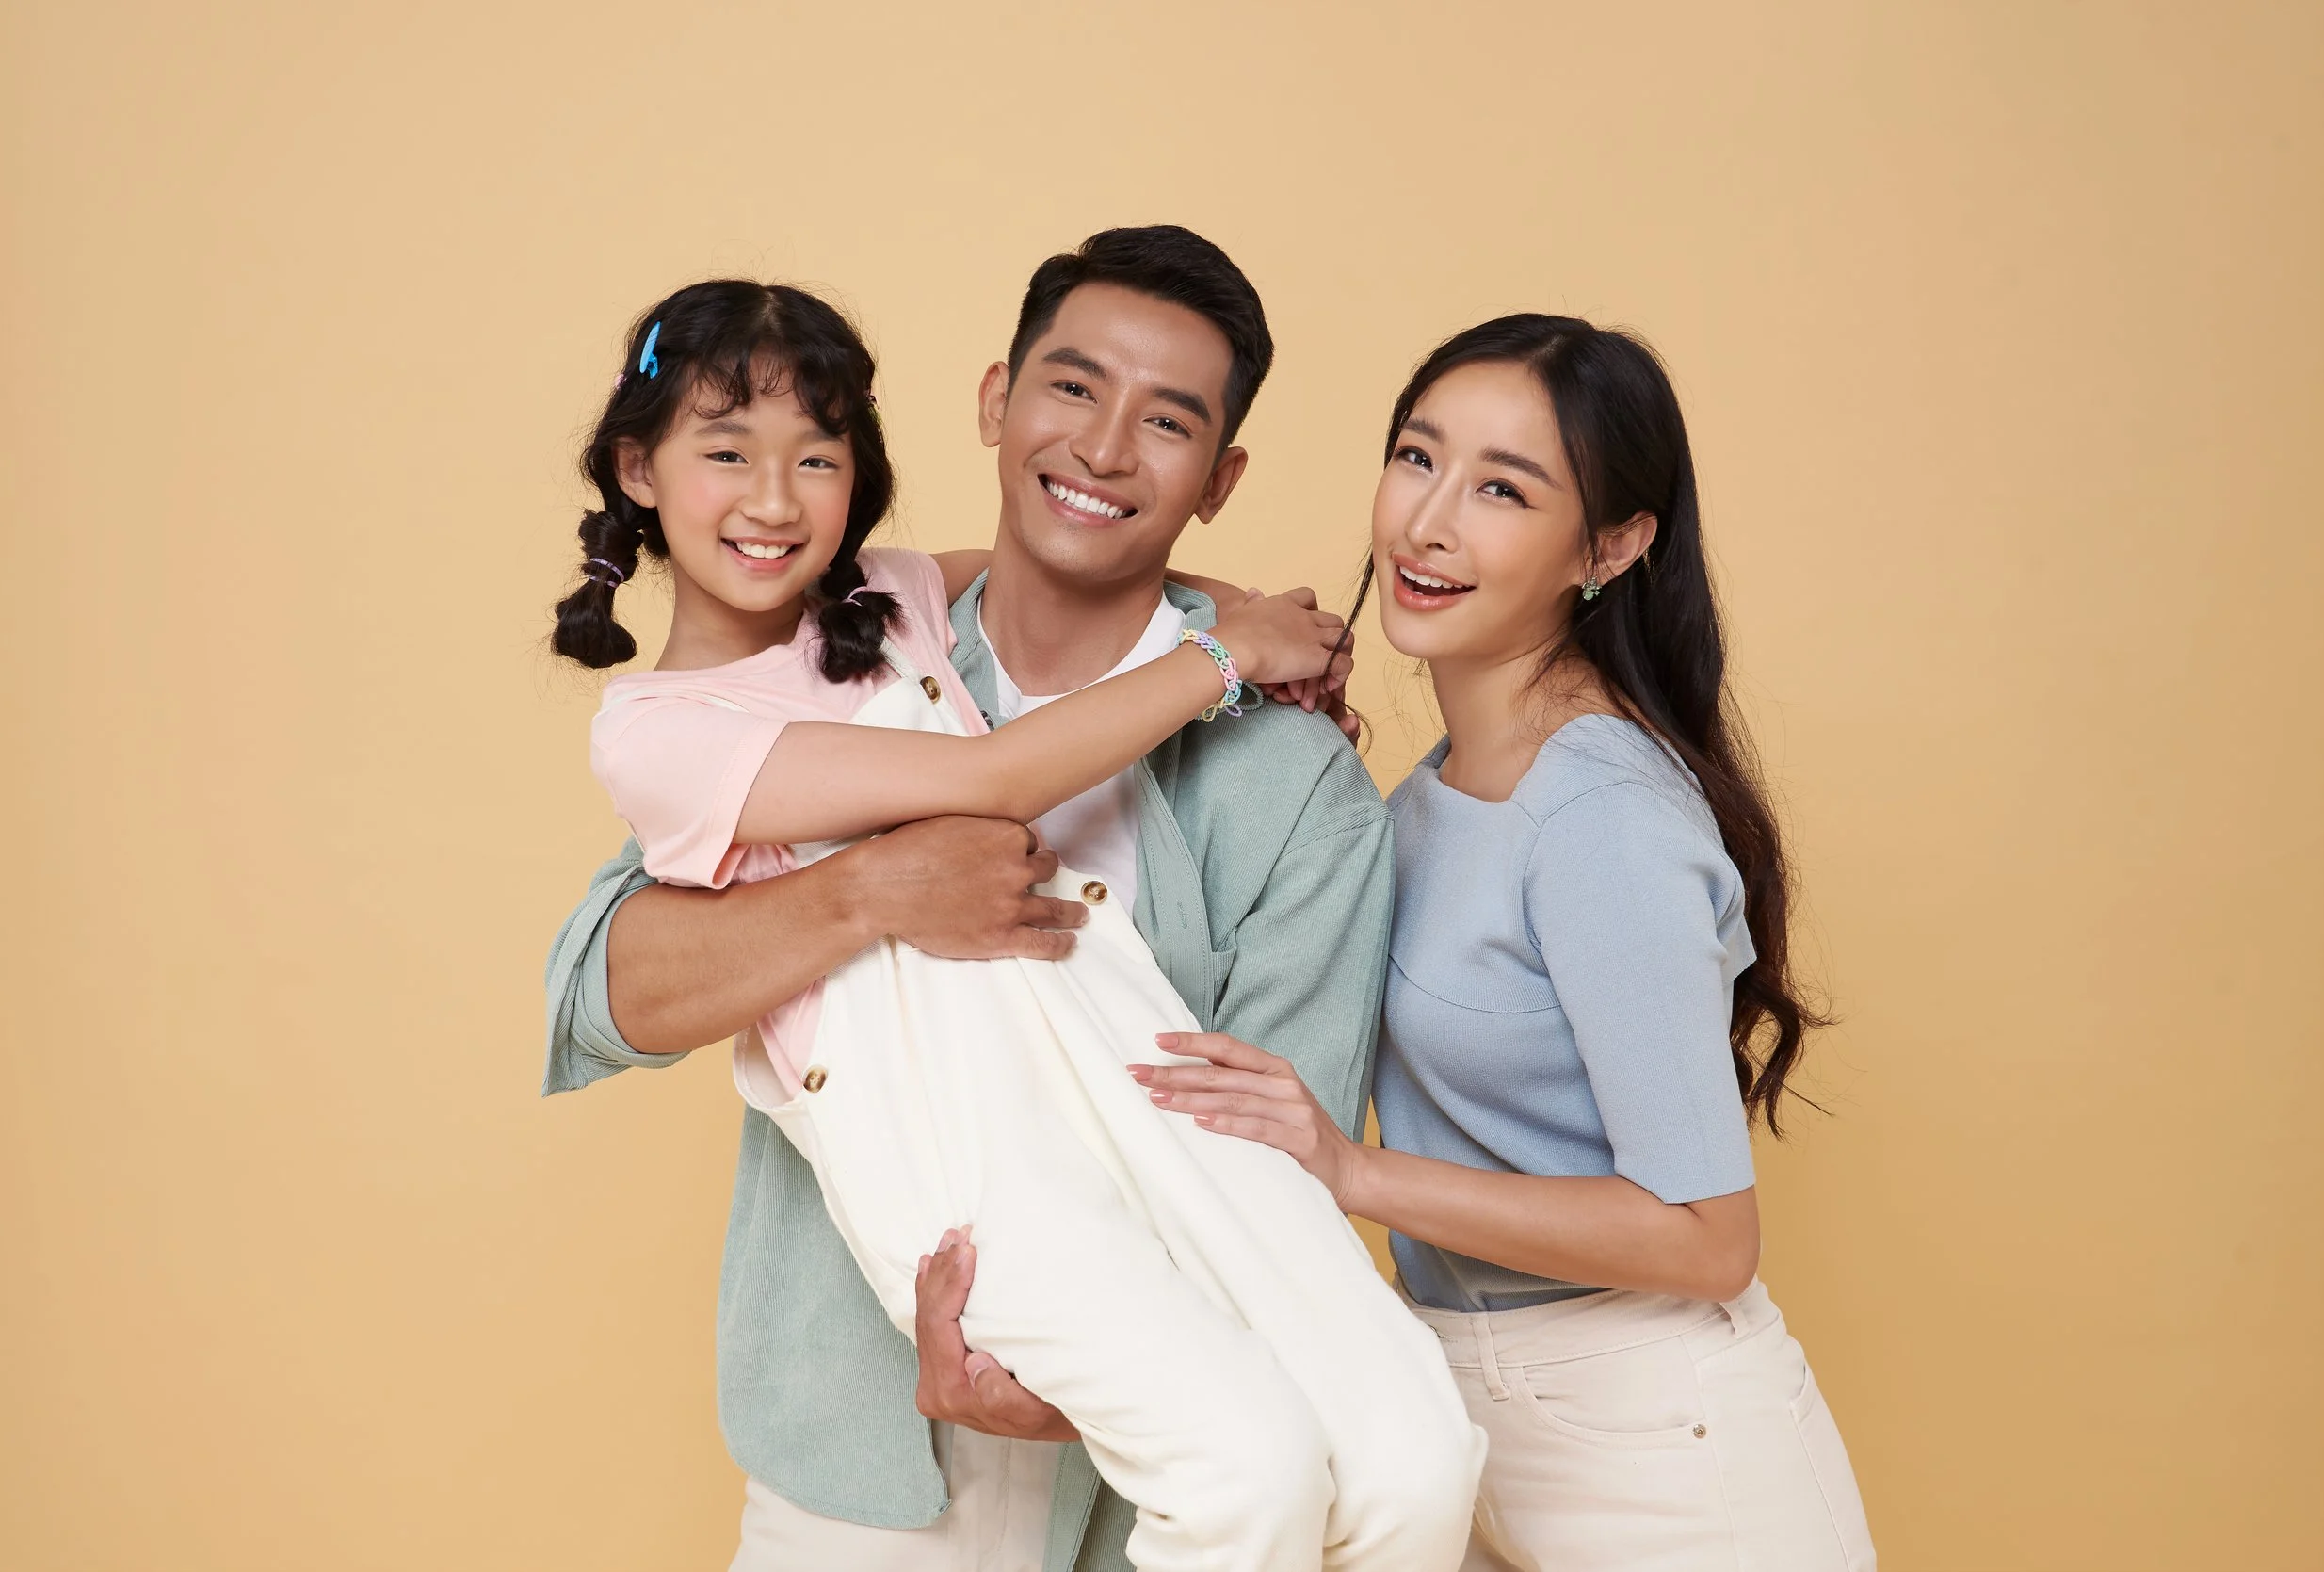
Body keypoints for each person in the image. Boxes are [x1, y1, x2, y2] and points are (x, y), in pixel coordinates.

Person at [541, 228, 1461, 1572]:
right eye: (1073, 389)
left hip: (1143, 1354)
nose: (1104, 448)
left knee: (1415, 1463)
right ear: (996, 400)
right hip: (874, 1441)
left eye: (1167, 423)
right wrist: (869, 893)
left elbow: (1281, 1128)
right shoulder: (774, 680)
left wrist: (1251, 629)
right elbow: (602, 986)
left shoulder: (894, 607)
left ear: (1219, 478)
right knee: (1249, 1471)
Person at [1134, 315, 1879, 1571]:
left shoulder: (1599, 815)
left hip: (1661, 1449)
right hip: (1460, 1409)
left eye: (1503, 490)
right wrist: (1256, 658)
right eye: (1417, 459)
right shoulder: (1437, 785)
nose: (1429, 524)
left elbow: (1707, 1237)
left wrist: (1350, 1170)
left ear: (1613, 546)